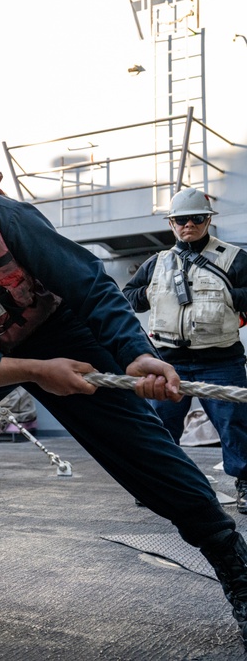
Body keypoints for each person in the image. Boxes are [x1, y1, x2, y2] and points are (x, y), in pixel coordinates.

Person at [0, 137, 247, 640]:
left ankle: (234, 567)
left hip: (59, 330)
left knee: (145, 449)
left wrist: (135, 353)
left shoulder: (1, 216)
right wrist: (34, 371)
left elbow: (88, 283)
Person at [122, 188, 247, 512]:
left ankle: (245, 483)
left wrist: (230, 296)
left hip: (220, 359)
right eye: (181, 219)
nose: (188, 224)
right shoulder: (157, 262)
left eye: (196, 218)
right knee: (160, 425)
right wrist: (153, 291)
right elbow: (129, 295)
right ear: (171, 223)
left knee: (235, 425)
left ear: (207, 220)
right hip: (169, 361)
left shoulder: (234, 258)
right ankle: (157, 483)